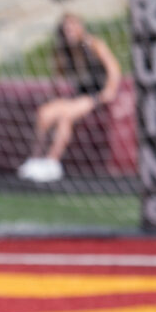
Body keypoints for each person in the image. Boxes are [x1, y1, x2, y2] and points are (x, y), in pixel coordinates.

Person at [17, 13, 122, 184]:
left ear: (80, 27)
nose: (69, 31)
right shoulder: (64, 50)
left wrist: (109, 91)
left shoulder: (93, 44)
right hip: (78, 94)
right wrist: (54, 95)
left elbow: (113, 68)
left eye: (72, 27)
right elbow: (57, 76)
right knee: (45, 113)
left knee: (65, 115)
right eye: (66, 29)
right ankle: (35, 160)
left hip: (95, 94)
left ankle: (52, 162)